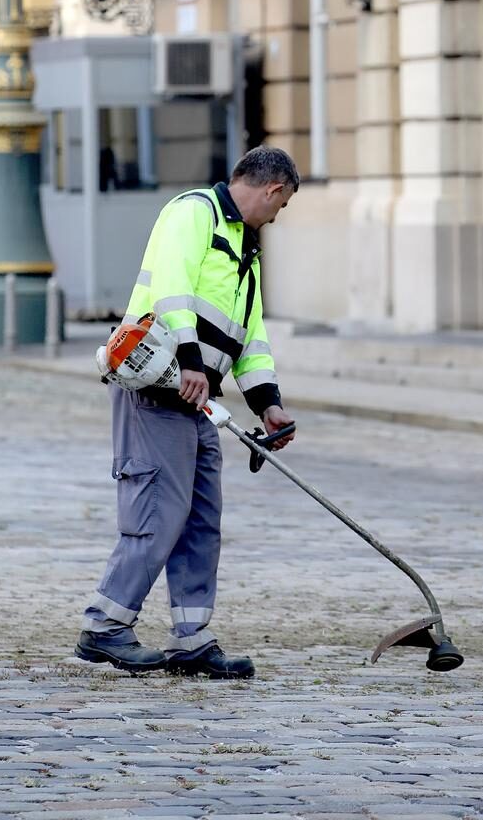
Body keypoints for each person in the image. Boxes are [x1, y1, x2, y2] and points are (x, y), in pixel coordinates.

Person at [75, 145, 300, 679]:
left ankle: (191, 638)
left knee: (201, 519)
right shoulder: (192, 212)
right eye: (282, 204)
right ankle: (105, 626)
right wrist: (194, 360)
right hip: (157, 387)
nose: (278, 215)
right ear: (272, 189)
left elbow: (252, 335)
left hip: (195, 399)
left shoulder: (244, 249)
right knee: (159, 511)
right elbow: (173, 290)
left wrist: (267, 403)